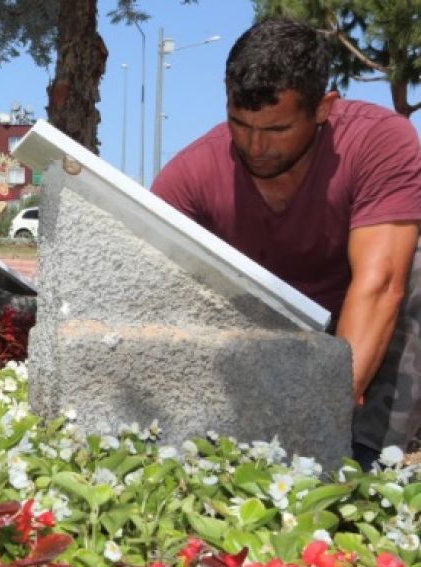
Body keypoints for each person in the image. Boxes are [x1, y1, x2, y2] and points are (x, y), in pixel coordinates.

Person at [152, 17, 421, 466]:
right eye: (240, 124)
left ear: (324, 108)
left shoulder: (380, 140)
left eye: (276, 130)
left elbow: (382, 285)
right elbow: (149, 291)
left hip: (352, 331)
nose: (255, 146)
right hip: (259, 341)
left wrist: (320, 425)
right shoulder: (191, 176)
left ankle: (368, 458)